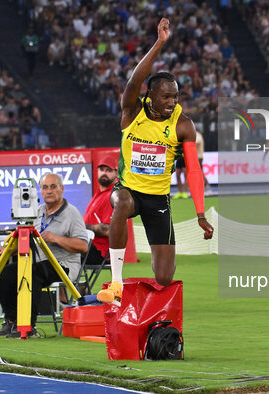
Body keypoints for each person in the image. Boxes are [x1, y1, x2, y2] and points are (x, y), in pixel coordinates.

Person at [97, 18, 214, 306]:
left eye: (175, 97)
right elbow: (134, 81)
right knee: (122, 203)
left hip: (159, 199)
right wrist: (159, 43)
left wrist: (200, 215)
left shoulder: (183, 125)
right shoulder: (132, 111)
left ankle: (144, 307)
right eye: (165, 96)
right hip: (129, 191)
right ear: (150, 94)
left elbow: (194, 170)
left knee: (164, 276)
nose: (171, 102)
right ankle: (116, 283)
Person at [0, 173, 88, 338]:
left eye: (53, 187)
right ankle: (11, 321)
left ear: (62, 189)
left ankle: (29, 327)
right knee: (4, 273)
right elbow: (27, 240)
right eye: (45, 187)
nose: (49, 191)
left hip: (63, 264)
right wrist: (7, 250)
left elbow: (83, 246)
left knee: (32, 275)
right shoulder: (36, 211)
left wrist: (56, 238)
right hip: (37, 262)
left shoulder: (72, 213)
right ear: (40, 192)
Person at [83, 156, 118, 266]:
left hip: (99, 252)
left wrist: (80, 225)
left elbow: (108, 230)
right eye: (102, 170)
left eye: (109, 170)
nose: (104, 173)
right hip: (89, 246)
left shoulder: (112, 196)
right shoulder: (99, 194)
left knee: (62, 251)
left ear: (116, 174)